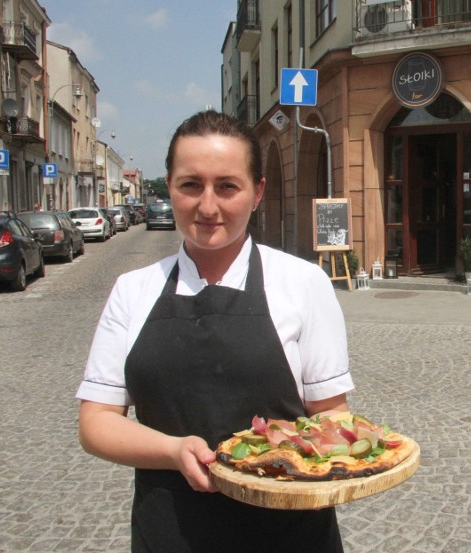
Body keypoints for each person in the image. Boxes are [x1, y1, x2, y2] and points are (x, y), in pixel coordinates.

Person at [76, 110, 353, 552]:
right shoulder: (132, 290)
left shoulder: (304, 283)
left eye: (227, 186)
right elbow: (96, 423)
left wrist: (360, 450)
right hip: (170, 529)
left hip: (290, 532)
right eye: (191, 185)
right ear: (169, 186)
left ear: (257, 192)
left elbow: (330, 412)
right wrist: (173, 451)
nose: (208, 206)